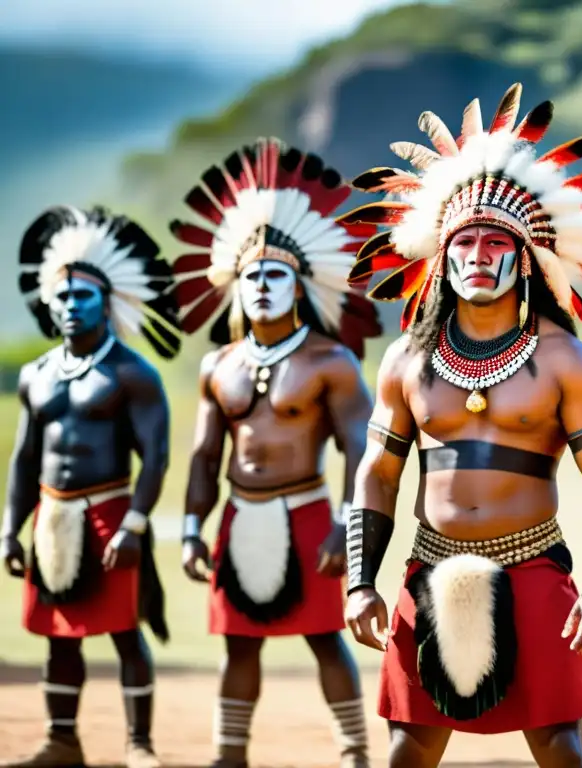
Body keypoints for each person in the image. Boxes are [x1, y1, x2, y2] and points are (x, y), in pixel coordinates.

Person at [335, 82, 582, 767]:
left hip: (535, 568)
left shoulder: (566, 359)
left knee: (561, 747)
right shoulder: (408, 360)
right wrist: (361, 581)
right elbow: (377, 473)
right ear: (440, 257)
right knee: (407, 752)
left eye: (493, 242)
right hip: (429, 566)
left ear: (527, 258)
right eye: (463, 242)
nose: (476, 255)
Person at [169, 137, 380, 768]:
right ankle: (229, 755)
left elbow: (360, 449)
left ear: (300, 284)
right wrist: (189, 529)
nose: (261, 285)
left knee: (325, 638)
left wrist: (348, 527)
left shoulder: (331, 361)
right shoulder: (219, 364)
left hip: (310, 510)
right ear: (234, 286)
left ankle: (353, 753)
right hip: (239, 517)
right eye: (251, 275)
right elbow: (206, 455)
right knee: (237, 644)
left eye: (275, 275)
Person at [0, 205, 181, 768]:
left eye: (83, 296)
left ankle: (140, 745)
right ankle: (62, 740)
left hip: (110, 514)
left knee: (125, 631)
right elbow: (25, 458)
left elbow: (156, 456)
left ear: (108, 301)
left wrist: (133, 524)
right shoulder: (36, 375)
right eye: (62, 298)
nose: (71, 306)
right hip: (51, 520)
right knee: (59, 635)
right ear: (49, 306)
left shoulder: (132, 373)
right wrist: (10, 528)